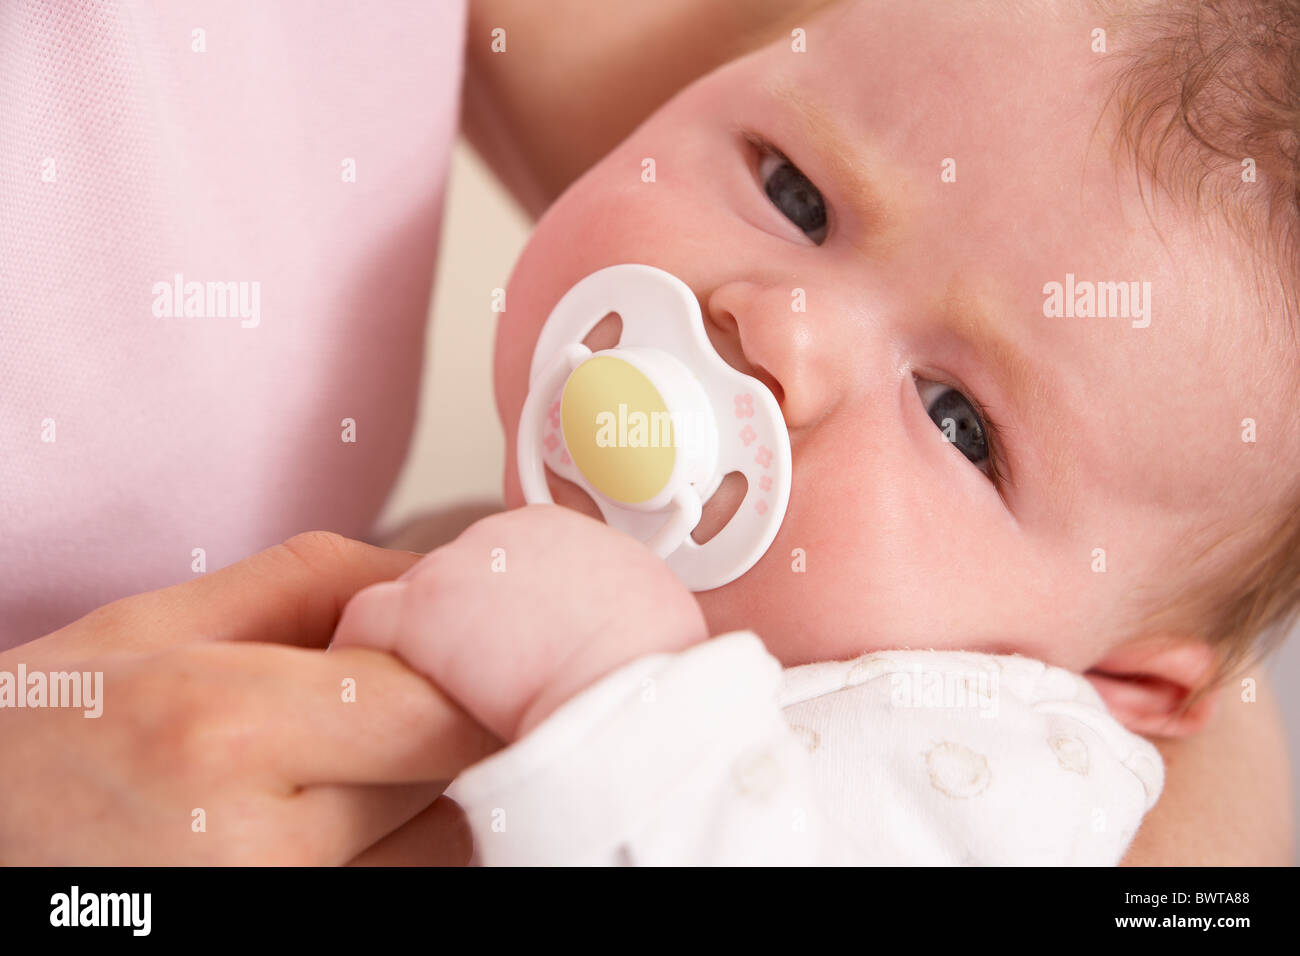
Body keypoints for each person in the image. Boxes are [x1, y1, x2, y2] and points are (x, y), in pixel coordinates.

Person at [0, 0, 1290, 865]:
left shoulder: (999, 774)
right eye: (794, 193)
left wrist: (611, 692)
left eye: (961, 423)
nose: (778, 333)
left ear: (1125, 689)